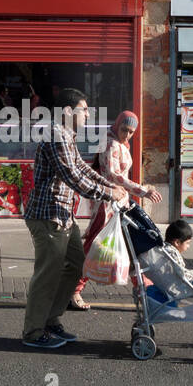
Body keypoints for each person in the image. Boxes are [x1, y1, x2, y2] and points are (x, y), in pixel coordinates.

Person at [21, 88, 127, 349]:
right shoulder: (56, 135)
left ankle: (51, 320)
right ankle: (33, 331)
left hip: (63, 214)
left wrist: (111, 184)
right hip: (49, 215)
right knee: (48, 274)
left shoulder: (67, 135)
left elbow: (81, 167)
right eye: (84, 109)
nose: (89, 113)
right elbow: (73, 177)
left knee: (78, 264)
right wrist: (108, 192)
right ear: (68, 112)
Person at [69, 110, 161, 310]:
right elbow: (114, 175)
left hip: (118, 204)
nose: (127, 135)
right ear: (117, 125)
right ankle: (74, 289)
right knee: (95, 247)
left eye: (131, 132)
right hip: (107, 205)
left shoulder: (118, 143)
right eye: (124, 130)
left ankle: (144, 289)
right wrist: (141, 190)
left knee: (128, 245)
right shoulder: (111, 143)